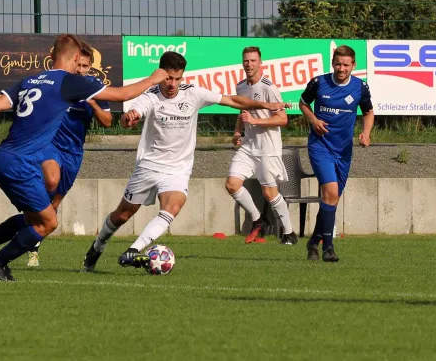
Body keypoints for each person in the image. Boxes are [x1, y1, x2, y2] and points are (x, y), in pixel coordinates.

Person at [0, 33, 167, 281]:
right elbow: (122, 95)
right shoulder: (69, 82)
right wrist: (154, 78)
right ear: (77, 57)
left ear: (51, 56)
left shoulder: (31, 80)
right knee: (48, 223)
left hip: (3, 158)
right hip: (21, 163)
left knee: (34, 218)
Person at [81, 51, 291, 272]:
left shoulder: (194, 94)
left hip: (178, 169)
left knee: (173, 206)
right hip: (149, 166)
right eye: (168, 78)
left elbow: (232, 100)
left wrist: (265, 106)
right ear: (160, 74)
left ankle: (135, 249)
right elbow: (131, 115)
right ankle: (97, 247)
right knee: (122, 215)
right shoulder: (150, 96)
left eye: (177, 78)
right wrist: (128, 118)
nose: (172, 84)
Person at [25, 41, 113, 267]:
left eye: (85, 66)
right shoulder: (58, 83)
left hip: (73, 152)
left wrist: (93, 104)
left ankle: (32, 244)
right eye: (79, 64)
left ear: (90, 66)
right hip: (50, 144)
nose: (80, 70)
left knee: (53, 205)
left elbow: (107, 122)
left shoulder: (95, 87)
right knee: (50, 182)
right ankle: (28, 234)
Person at [299, 45, 374, 262]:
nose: (341, 68)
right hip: (320, 146)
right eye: (338, 64)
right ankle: (328, 248)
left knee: (332, 199)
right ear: (333, 63)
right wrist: (313, 120)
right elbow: (303, 103)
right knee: (330, 192)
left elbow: (368, 112)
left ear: (353, 65)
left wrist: (366, 133)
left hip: (343, 151)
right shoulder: (319, 82)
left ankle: (313, 242)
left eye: (346, 64)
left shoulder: (360, 87)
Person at [225, 46, 297, 245]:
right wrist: (237, 132)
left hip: (267, 147)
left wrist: (256, 122)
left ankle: (289, 233)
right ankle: (258, 220)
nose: (249, 64)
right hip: (249, 146)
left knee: (269, 193)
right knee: (231, 184)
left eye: (253, 61)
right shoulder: (241, 87)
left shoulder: (268, 87)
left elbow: (282, 119)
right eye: (246, 61)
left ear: (260, 63)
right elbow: (242, 113)